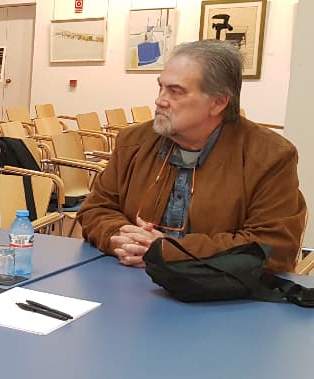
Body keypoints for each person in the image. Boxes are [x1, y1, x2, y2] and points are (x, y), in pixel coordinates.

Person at [79, 40, 306, 273]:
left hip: (222, 298)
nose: (160, 100)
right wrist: (120, 237)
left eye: (175, 92)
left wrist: (167, 250)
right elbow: (95, 210)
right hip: (129, 285)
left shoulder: (271, 156)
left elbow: (274, 248)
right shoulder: (133, 143)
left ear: (217, 103)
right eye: (161, 87)